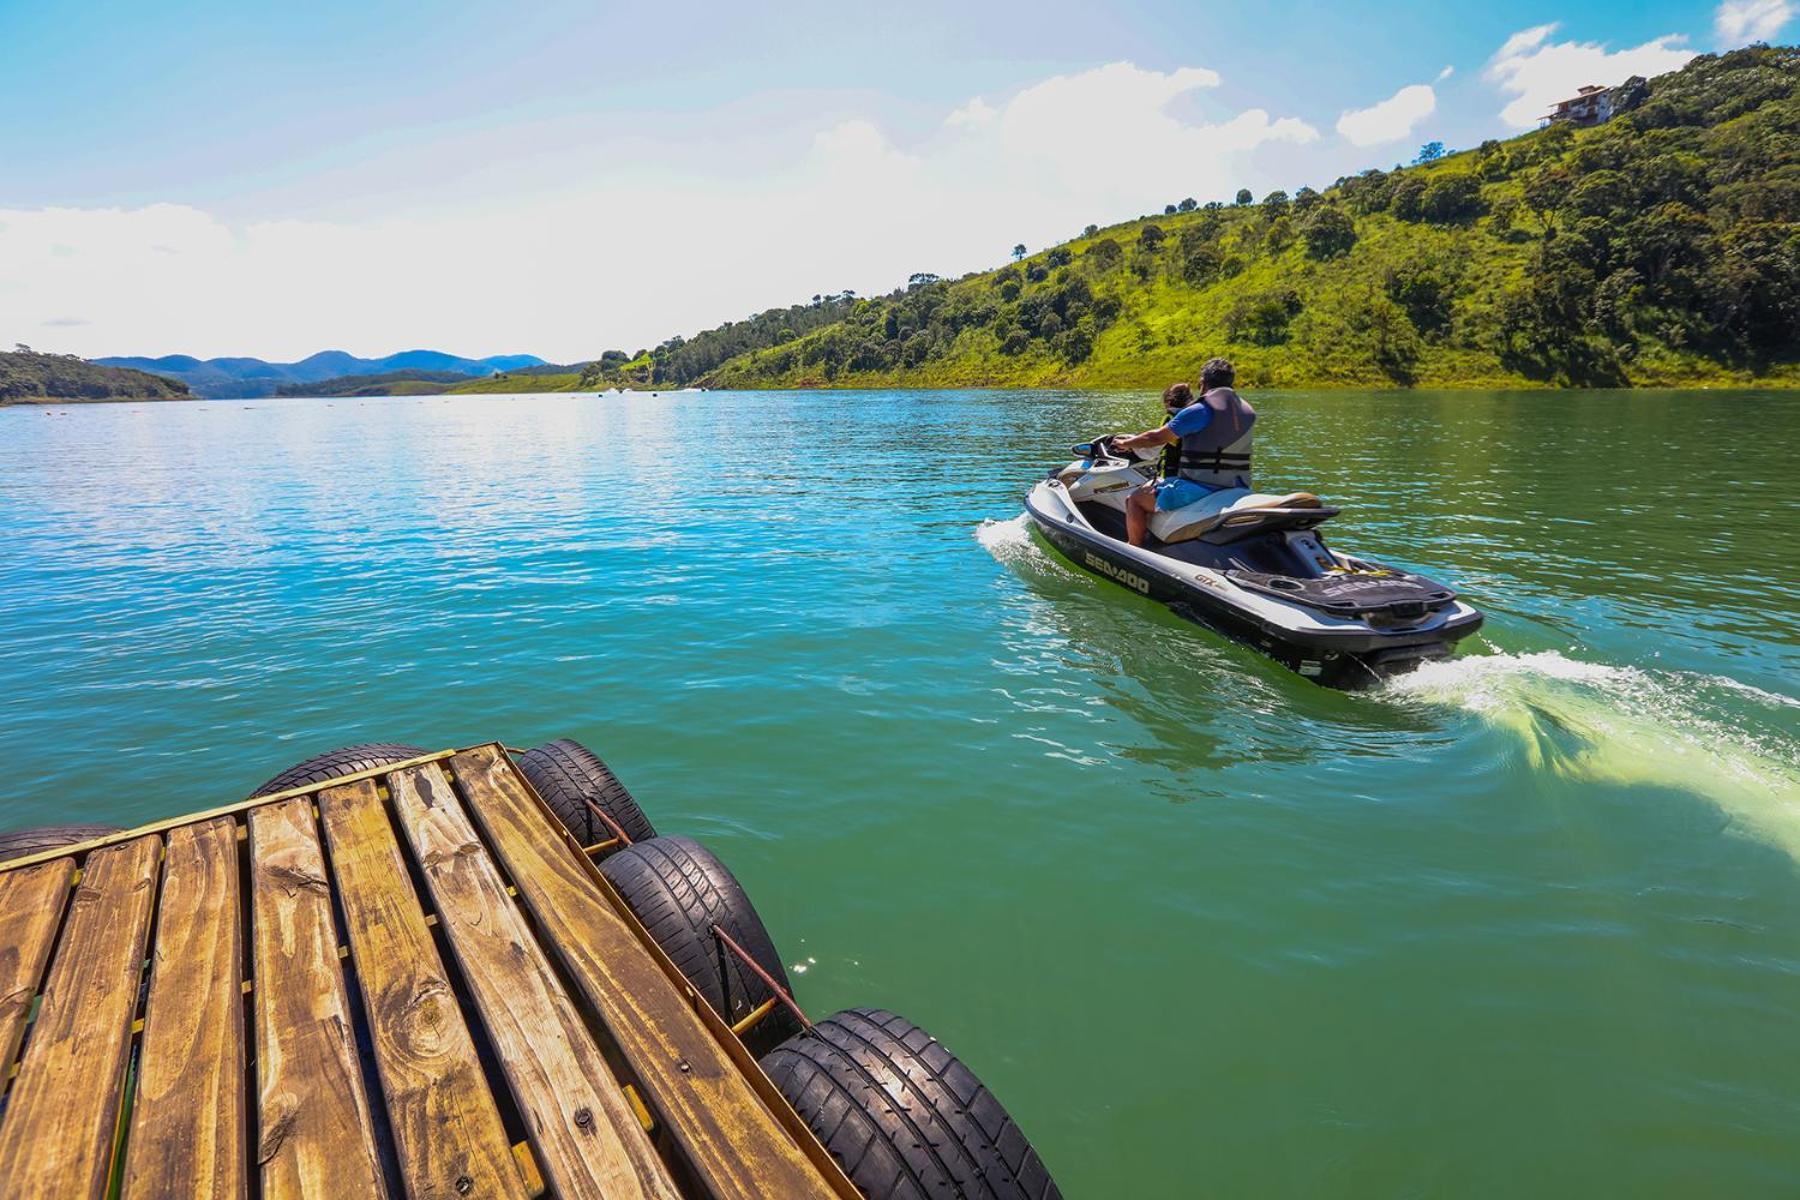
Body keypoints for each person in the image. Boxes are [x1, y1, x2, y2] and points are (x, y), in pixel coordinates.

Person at [1113, 358, 1255, 547]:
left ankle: (1134, 548)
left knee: (1136, 499)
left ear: (1202, 383)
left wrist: (1125, 443)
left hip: (1200, 486)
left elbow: (1155, 438)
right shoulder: (1247, 411)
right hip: (1238, 485)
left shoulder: (1200, 410)